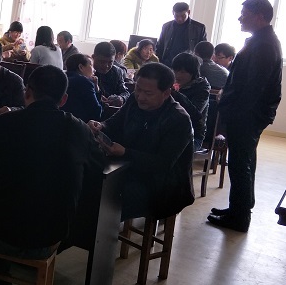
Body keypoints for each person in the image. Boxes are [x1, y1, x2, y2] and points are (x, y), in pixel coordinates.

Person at [0, 65, 104, 285]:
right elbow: (97, 169)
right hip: (50, 236)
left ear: (27, 92)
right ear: (63, 99)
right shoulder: (79, 129)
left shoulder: (3, 124)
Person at [209, 0, 282, 232]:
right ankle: (239, 209)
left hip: (246, 116)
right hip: (247, 115)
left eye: (244, 14)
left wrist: (234, 112)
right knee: (245, 161)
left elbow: (253, 88)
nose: (240, 18)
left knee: (240, 164)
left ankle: (239, 217)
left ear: (259, 17)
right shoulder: (261, 40)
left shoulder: (264, 45)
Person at [88, 62, 194, 221]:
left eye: (148, 93)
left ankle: (99, 231)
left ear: (166, 93)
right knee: (86, 182)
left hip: (162, 185)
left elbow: (162, 164)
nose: (140, 97)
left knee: (106, 201)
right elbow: (115, 123)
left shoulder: (179, 119)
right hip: (128, 169)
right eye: (138, 89)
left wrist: (125, 152)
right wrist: (101, 126)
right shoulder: (134, 99)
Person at [170, 52, 210, 149]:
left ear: (193, 73)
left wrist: (175, 94)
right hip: (167, 131)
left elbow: (194, 114)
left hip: (192, 136)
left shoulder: (202, 88)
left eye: (182, 72)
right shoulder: (170, 83)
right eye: (175, 70)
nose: (177, 75)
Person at [155, 2, 208, 67]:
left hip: (189, 64)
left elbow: (203, 49)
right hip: (167, 63)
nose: (179, 19)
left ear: (188, 12)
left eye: (183, 16)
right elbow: (160, 45)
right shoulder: (166, 26)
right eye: (176, 16)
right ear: (173, 13)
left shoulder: (199, 28)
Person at [62, 53, 102, 122]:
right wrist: (97, 90)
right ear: (81, 67)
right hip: (79, 124)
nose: (94, 70)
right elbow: (97, 112)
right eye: (91, 65)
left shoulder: (62, 78)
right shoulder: (84, 82)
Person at [92, 41, 130, 107]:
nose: (106, 66)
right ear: (93, 57)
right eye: (102, 62)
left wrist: (121, 98)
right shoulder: (86, 71)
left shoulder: (117, 71)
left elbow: (125, 92)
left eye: (110, 62)